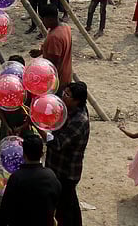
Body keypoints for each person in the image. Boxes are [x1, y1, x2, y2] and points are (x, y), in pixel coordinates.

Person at [46, 81, 90, 226]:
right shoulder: (66, 109)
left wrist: (40, 129)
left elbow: (58, 144)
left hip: (67, 172)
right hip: (55, 165)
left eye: (67, 95)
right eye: (64, 92)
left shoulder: (79, 120)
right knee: (68, 203)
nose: (63, 96)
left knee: (64, 208)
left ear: (77, 101)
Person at [0, 133, 59, 226]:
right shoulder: (51, 175)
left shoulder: (17, 177)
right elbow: (56, 201)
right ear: (42, 154)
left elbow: (5, 208)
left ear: (23, 154)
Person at [31, 3, 74, 88]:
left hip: (57, 80)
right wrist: (42, 51)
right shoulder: (65, 27)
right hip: (67, 74)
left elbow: (53, 63)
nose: (42, 22)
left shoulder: (54, 37)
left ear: (50, 19)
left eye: (43, 19)